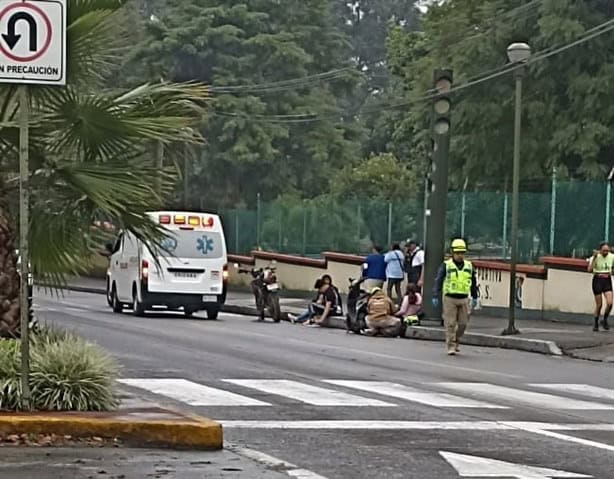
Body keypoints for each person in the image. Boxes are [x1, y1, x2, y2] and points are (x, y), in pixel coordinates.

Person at [432, 238, 478, 356]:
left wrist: (474, 297)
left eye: (462, 253)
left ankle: (457, 340)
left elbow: (473, 281)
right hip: (449, 298)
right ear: (453, 252)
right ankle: (451, 345)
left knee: (463, 324)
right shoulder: (446, 265)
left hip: (463, 298)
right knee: (450, 323)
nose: (460, 255)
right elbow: (439, 280)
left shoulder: (468, 266)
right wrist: (435, 294)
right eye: (457, 253)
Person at [587, 241, 614, 331]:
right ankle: (596, 323)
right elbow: (589, 269)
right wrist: (594, 258)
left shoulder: (612, 256)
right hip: (598, 279)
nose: (606, 253)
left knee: (610, 303)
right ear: (600, 250)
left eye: (607, 250)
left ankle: (605, 319)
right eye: (604, 251)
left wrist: (612, 271)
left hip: (607, 280)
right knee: (599, 305)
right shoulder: (596, 257)